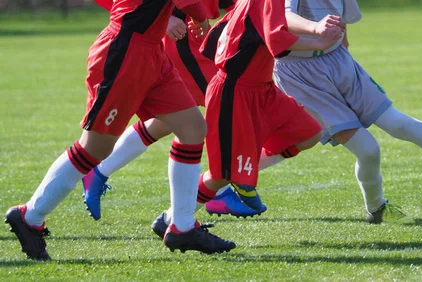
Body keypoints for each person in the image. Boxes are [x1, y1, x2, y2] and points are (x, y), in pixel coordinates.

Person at [211, 0, 422, 224]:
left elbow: (342, 25)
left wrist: (342, 55)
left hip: (340, 64)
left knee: (399, 123)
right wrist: (317, 28)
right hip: (301, 75)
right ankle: (377, 209)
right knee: (368, 150)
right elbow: (284, 17)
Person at [5, 0, 235, 261]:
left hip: (150, 50)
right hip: (124, 50)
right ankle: (30, 216)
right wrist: (201, 18)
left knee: (193, 128)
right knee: (95, 148)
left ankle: (181, 226)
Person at [147, 0, 345, 238]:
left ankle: (243, 169)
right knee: (221, 176)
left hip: (262, 89)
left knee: (309, 132)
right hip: (235, 92)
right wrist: (319, 42)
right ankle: (174, 220)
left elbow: (220, 34)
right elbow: (276, 42)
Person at [82, 0, 266, 222]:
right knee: (225, 103)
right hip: (182, 38)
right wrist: (165, 16)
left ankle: (99, 171)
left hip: (199, 34)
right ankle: (215, 191)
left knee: (173, 120)